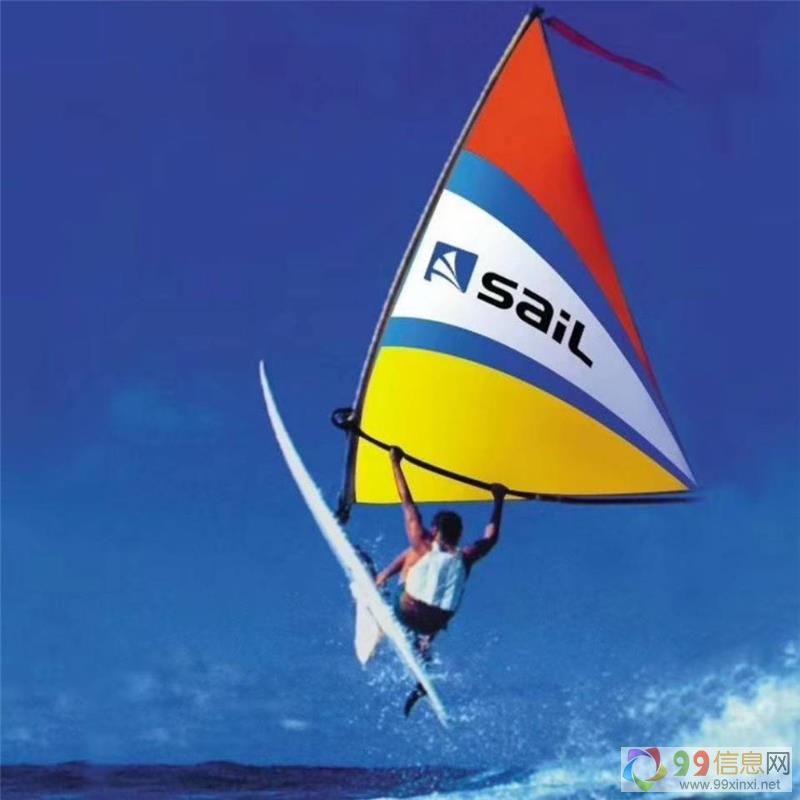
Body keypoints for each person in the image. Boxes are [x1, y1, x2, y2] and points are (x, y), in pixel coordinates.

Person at [375, 446, 506, 715]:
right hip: (434, 623)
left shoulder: (422, 542)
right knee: (437, 590)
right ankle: (424, 650)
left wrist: (395, 463)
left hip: (405, 611)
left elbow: (407, 503)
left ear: (435, 530)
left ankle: (379, 583)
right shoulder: (467, 556)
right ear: (459, 535)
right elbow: (491, 537)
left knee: (414, 555)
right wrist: (499, 499)